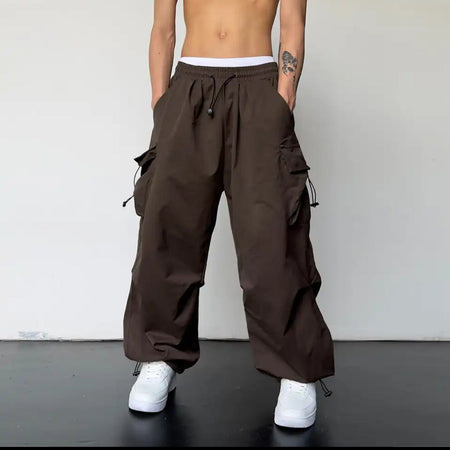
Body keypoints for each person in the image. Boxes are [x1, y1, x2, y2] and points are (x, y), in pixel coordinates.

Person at [122, 0, 334, 429]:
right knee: (168, 229)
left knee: (272, 236)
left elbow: (293, 25)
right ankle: (160, 357)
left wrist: (283, 99)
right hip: (189, 85)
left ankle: (296, 371)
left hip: (259, 86)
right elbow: (163, 28)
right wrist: (161, 103)